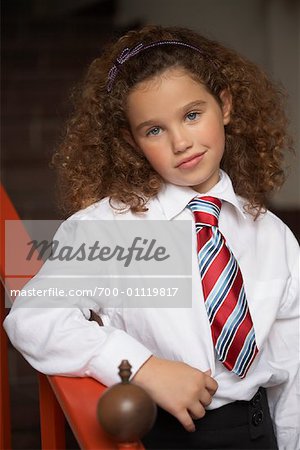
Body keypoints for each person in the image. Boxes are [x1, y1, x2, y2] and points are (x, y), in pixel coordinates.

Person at [4, 25, 299, 449]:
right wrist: (140, 367)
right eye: (154, 130)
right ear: (132, 140)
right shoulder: (109, 228)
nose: (181, 142)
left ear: (226, 106)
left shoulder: (272, 234)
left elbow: (293, 369)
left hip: (259, 432)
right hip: (164, 434)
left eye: (192, 115)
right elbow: (33, 318)